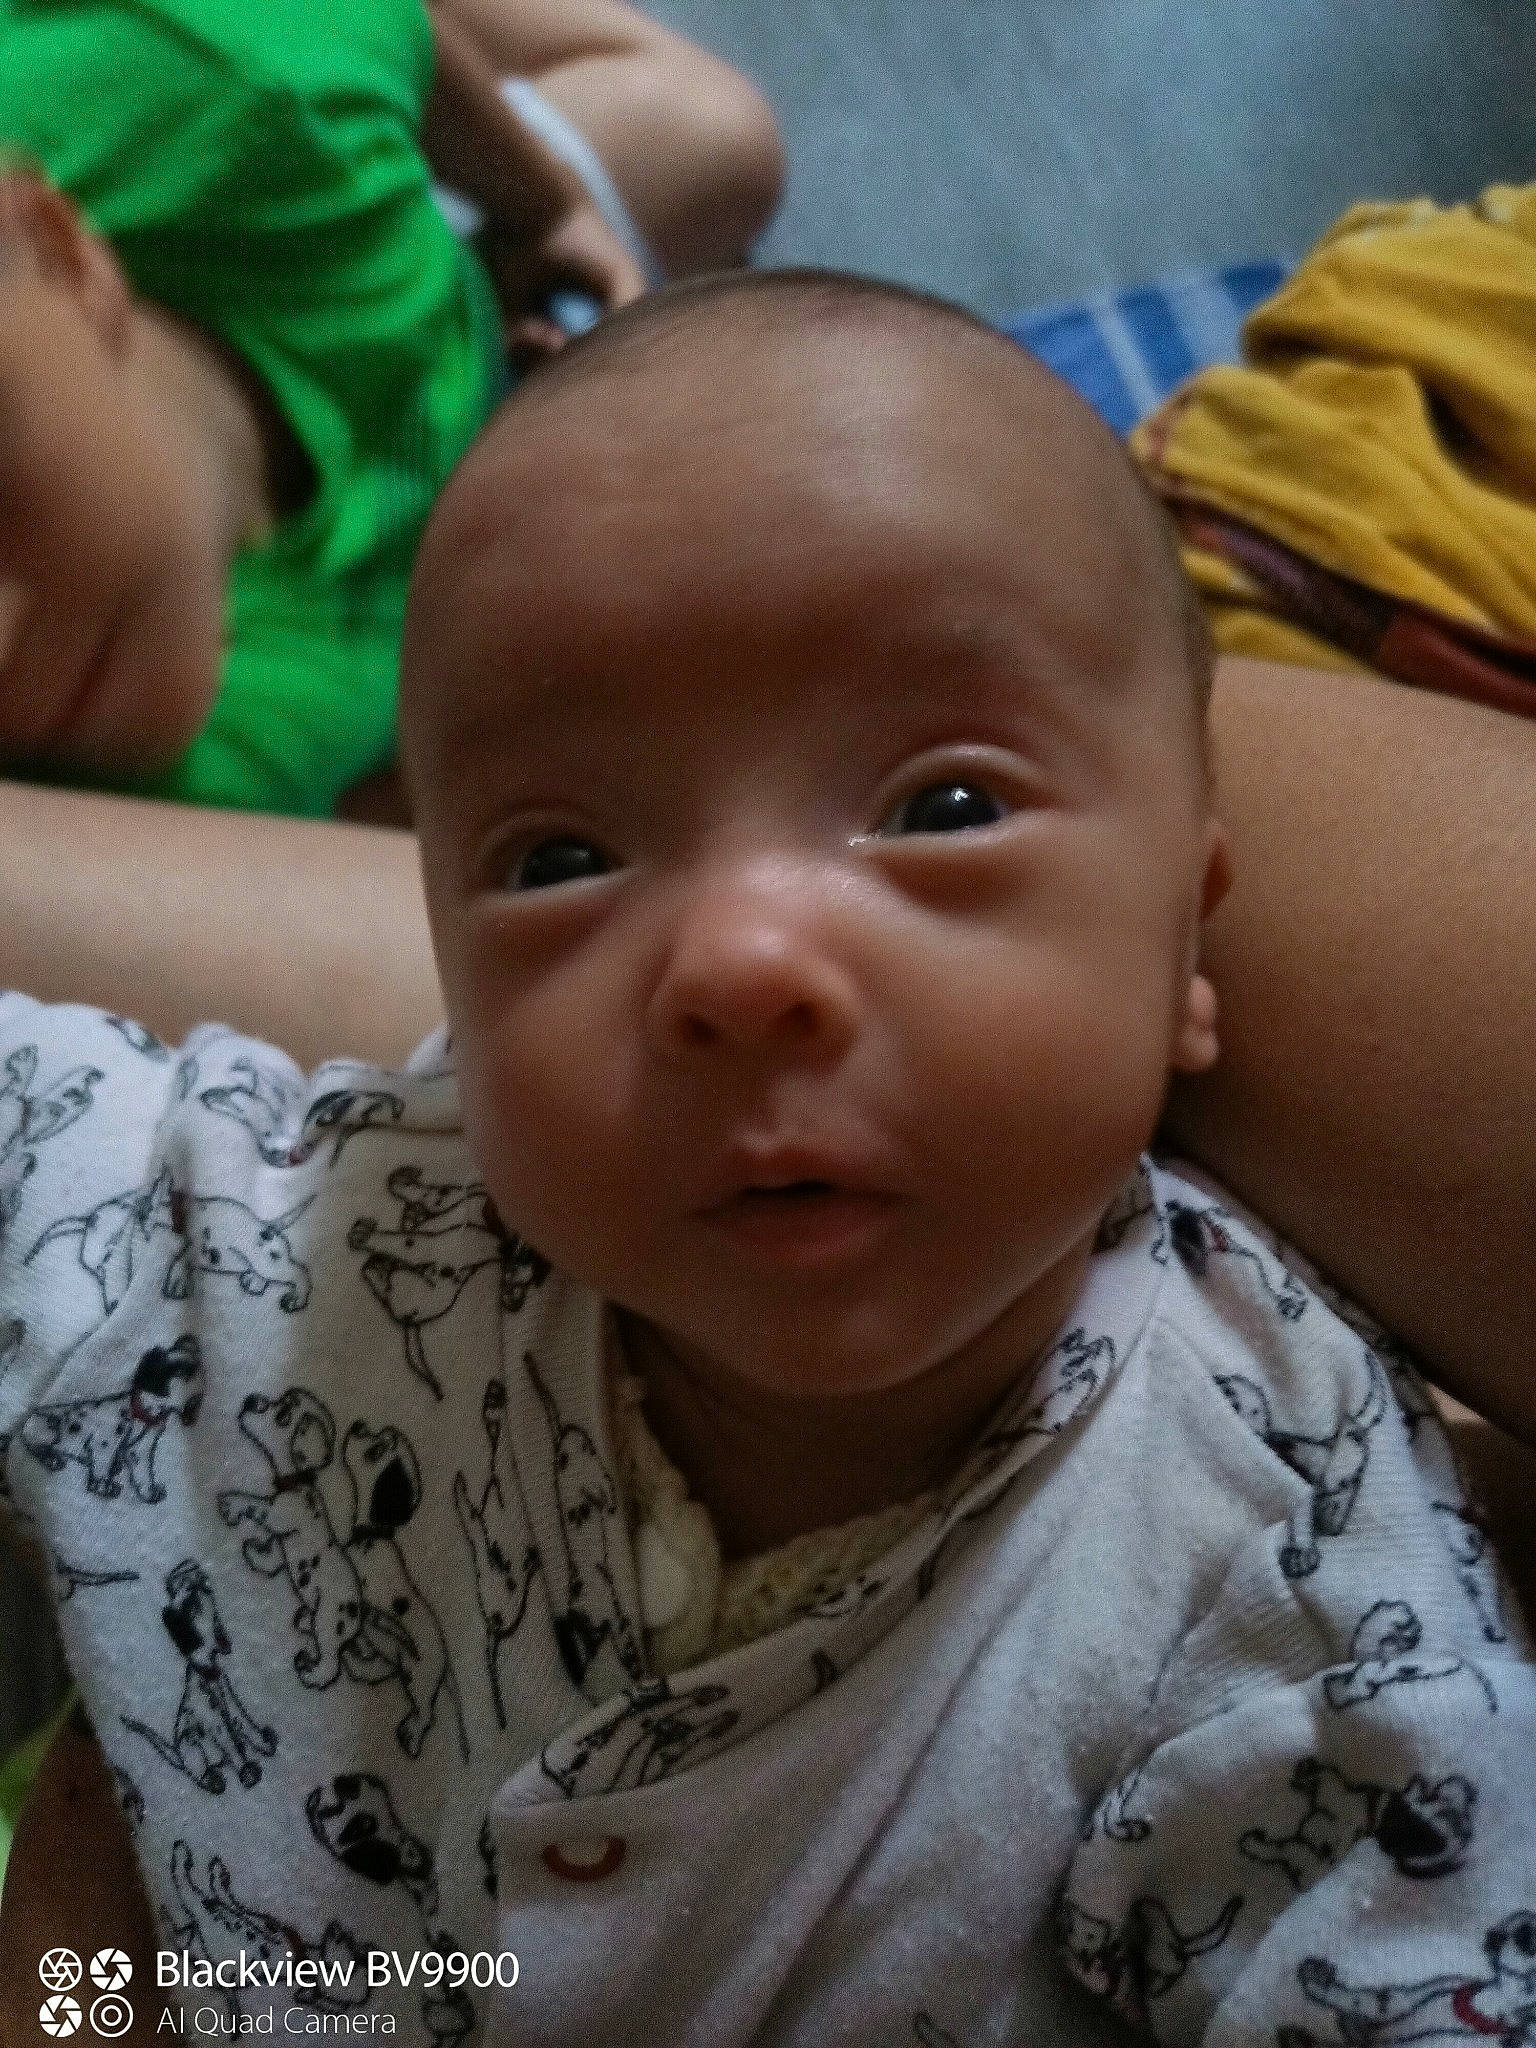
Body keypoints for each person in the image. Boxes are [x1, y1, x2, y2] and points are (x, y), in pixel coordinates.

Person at [0, 273, 1529, 2044]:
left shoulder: (1296, 1583)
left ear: (1190, 947)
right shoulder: (322, 1231)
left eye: (940, 809)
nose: (735, 963)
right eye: (558, 855)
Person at [0, 0, 782, 816]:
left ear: (65, 259)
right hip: (432, 342)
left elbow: (371, 26)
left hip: (324, 190)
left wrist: (548, 211)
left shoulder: (211, 86)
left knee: (718, 135)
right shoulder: (183, 787)